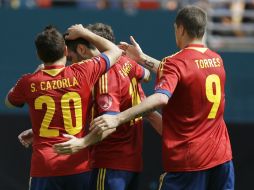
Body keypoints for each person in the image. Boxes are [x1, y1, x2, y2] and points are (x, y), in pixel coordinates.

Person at [91, 6, 234, 190]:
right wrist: (142, 58)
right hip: (222, 158)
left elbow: (161, 97)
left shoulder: (175, 62)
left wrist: (117, 117)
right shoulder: (217, 60)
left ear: (180, 29)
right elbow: (185, 73)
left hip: (189, 161)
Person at [5, 24, 121, 190]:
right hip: (77, 165)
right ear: (66, 51)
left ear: (38, 55)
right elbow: (115, 51)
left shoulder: (28, 82)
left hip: (44, 167)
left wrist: (36, 74)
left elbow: (9, 101)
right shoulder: (83, 72)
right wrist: (84, 32)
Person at [53, 23, 162, 190]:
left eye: (71, 58)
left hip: (110, 164)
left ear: (82, 50)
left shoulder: (105, 75)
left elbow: (108, 124)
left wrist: (82, 143)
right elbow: (146, 75)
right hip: (132, 163)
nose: (71, 64)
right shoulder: (126, 62)